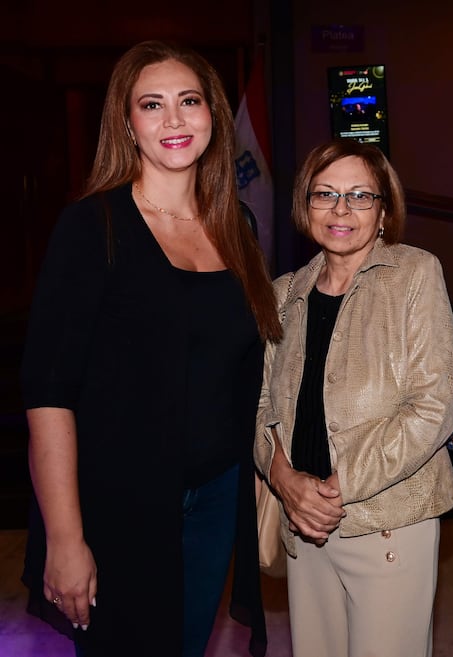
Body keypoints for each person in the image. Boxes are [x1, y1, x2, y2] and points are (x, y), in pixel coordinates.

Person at [20, 40, 281, 657]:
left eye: (189, 101)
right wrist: (65, 536)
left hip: (215, 497)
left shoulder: (236, 226)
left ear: (212, 115)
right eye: (152, 104)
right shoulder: (92, 227)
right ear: (128, 124)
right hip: (119, 504)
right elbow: (49, 393)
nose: (173, 119)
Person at [254, 139, 453, 657]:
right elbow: (259, 411)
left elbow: (434, 408)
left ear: (384, 210)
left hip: (388, 523)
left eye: (360, 196)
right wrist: (283, 478)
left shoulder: (415, 274)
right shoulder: (284, 294)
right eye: (325, 194)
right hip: (302, 529)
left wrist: (334, 490)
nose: (341, 209)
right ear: (306, 207)